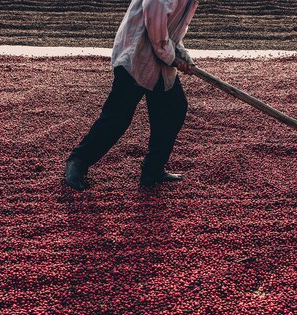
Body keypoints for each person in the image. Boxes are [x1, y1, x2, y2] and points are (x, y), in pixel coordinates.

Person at [64, 0, 198, 190]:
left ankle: (153, 169)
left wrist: (183, 56)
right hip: (137, 57)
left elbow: (170, 31)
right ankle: (78, 162)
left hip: (158, 62)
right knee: (117, 117)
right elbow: (156, 29)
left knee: (173, 109)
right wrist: (173, 58)